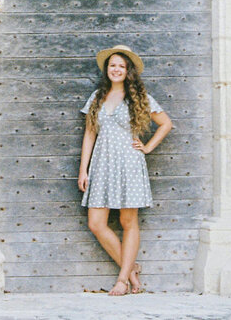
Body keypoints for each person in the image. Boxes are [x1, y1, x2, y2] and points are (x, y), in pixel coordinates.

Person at [78, 45, 172, 296]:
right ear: (107, 70)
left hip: (129, 163)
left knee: (127, 221)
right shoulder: (97, 97)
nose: (116, 69)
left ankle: (122, 281)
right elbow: (89, 133)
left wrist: (148, 147)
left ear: (128, 70)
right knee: (96, 223)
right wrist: (83, 170)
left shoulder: (139, 98)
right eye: (112, 65)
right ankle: (131, 270)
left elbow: (165, 123)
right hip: (101, 164)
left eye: (121, 65)